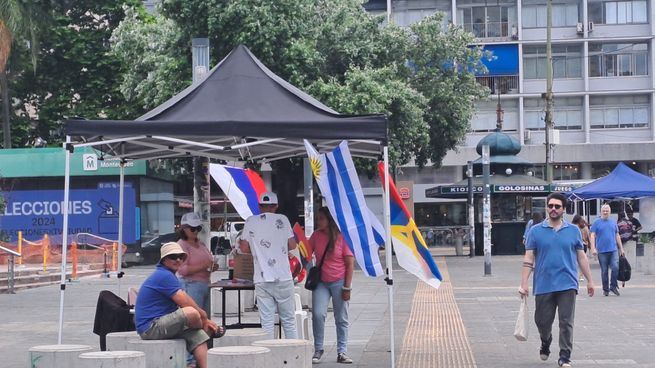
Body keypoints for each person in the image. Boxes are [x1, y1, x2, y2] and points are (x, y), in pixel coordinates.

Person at [519, 193, 594, 368]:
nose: (553, 209)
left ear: (564, 209)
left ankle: (565, 356)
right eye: (550, 206)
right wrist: (524, 283)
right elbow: (529, 257)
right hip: (543, 283)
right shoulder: (535, 231)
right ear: (547, 207)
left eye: (557, 206)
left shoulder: (573, 230)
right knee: (542, 321)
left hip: (567, 283)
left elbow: (581, 257)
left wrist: (590, 280)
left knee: (566, 321)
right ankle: (546, 340)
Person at [135, 242, 223, 368]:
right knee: (191, 313)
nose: (178, 260)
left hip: (162, 323)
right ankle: (207, 328)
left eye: (181, 257)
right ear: (164, 260)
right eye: (173, 257)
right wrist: (204, 318)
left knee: (198, 336)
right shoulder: (163, 275)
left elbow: (184, 300)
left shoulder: (168, 275)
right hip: (151, 327)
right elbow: (184, 301)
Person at [239, 191, 298, 339]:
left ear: (260, 206)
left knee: (267, 322)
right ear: (276, 206)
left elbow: (244, 249)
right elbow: (292, 245)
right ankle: (293, 356)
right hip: (283, 276)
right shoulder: (283, 219)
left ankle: (269, 356)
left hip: (261, 278)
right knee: (289, 321)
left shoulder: (251, 221)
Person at [308, 207, 355, 364]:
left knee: (341, 317)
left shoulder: (342, 237)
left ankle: (342, 351)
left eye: (321, 218)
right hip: (321, 282)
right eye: (317, 218)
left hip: (339, 281)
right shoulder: (316, 235)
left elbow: (350, 264)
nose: (318, 221)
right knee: (318, 314)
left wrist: (347, 288)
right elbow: (306, 252)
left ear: (329, 220)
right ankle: (318, 349)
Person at [176, 212, 218, 366]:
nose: (195, 231)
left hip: (204, 284)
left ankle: (202, 355)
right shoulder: (181, 245)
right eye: (192, 229)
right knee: (193, 323)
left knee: (204, 322)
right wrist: (205, 265)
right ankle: (190, 358)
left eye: (198, 228)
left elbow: (207, 261)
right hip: (190, 285)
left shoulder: (200, 244)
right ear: (184, 229)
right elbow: (183, 270)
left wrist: (212, 267)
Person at [590, 204, 625, 297]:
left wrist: (621, 248)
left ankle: (613, 286)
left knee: (615, 268)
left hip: (613, 250)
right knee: (604, 271)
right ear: (601, 212)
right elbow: (592, 235)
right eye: (604, 211)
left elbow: (617, 235)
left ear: (610, 212)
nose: (605, 212)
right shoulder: (596, 222)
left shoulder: (613, 222)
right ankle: (605, 289)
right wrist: (593, 248)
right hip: (601, 251)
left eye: (607, 211)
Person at [572, 215, 591, 281]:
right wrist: (590, 246)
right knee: (582, 261)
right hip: (584, 245)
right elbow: (589, 237)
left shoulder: (573, 227)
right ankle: (581, 276)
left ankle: (574, 275)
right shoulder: (585, 228)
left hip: (574, 245)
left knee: (573, 261)